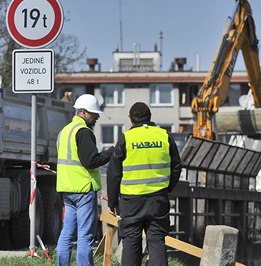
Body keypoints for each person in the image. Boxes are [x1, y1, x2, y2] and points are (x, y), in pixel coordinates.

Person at [106, 102, 182, 266]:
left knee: (131, 241)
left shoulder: (126, 138)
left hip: (131, 201)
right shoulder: (164, 136)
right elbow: (176, 166)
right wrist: (167, 187)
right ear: (150, 117)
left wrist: (112, 201)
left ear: (131, 119)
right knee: (156, 240)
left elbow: (114, 173)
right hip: (157, 200)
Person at [56, 94, 113, 266]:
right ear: (83, 112)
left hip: (67, 189)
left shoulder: (64, 131)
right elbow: (91, 161)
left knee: (66, 233)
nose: (96, 117)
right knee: (85, 235)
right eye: (93, 114)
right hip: (83, 189)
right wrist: (111, 152)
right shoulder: (84, 132)